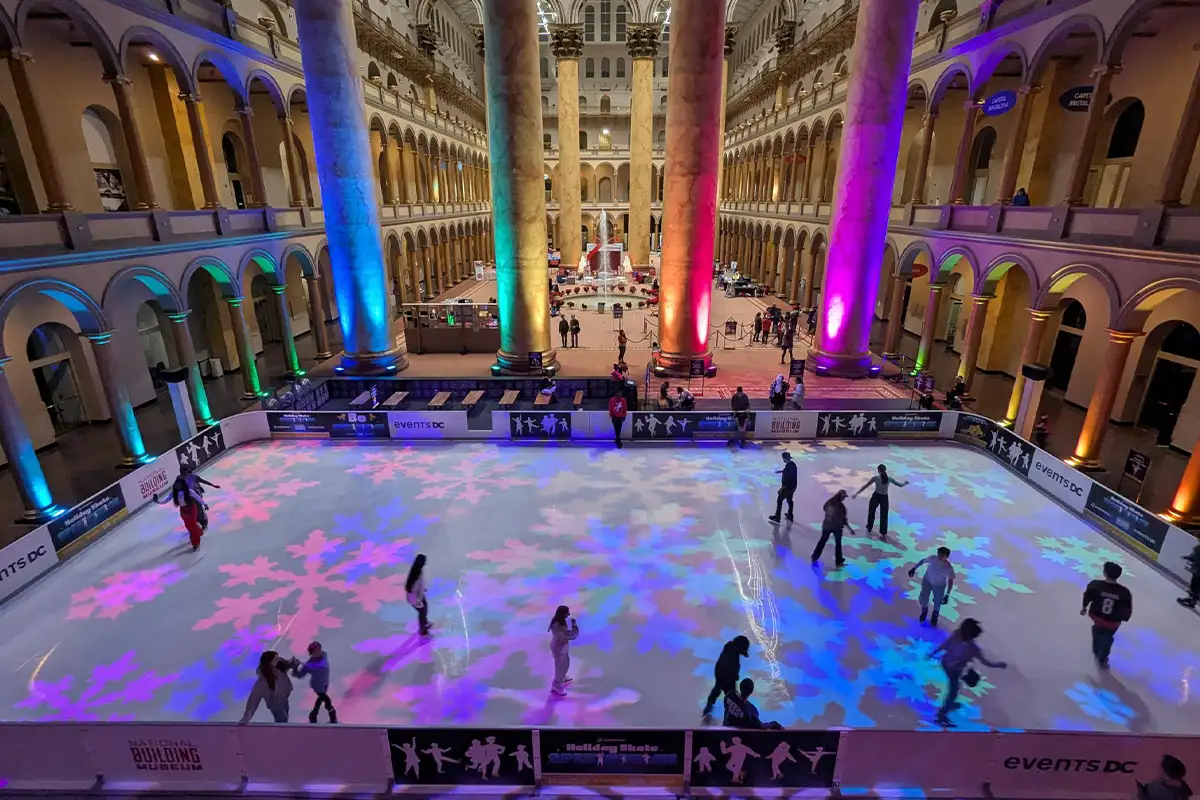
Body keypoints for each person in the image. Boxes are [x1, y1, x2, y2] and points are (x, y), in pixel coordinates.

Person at [931, 618, 1006, 728]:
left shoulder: (973, 648)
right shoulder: (957, 637)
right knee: (953, 691)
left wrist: (998, 665)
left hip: (953, 667)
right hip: (948, 666)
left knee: (954, 688)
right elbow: (945, 645)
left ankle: (949, 705)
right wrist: (934, 652)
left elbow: (985, 661)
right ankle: (941, 716)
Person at [1081, 560, 1133, 669]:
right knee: (1108, 635)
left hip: (1097, 616)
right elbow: (1127, 608)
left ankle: (1097, 649)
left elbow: (1087, 596)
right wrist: (1124, 618)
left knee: (1098, 631)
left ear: (1105, 573)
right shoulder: (1124, 592)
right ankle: (1103, 656)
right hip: (1113, 621)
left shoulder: (1095, 585)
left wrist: (1084, 607)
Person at [240, 651, 297, 724]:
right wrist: (246, 718)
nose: (278, 659)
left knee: (284, 716)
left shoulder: (278, 665)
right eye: (275, 659)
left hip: (283, 697)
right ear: (269, 662)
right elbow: (253, 701)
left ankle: (282, 729)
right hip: (274, 703)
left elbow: (287, 663)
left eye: (278, 658)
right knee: (282, 717)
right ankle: (281, 731)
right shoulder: (262, 682)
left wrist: (293, 663)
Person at [854, 464, 908, 539]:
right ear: (885, 470)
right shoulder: (889, 478)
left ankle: (869, 527)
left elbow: (866, 485)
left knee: (871, 512)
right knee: (884, 515)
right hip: (884, 498)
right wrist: (905, 483)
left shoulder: (876, 478)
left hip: (876, 496)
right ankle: (883, 533)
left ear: (878, 470)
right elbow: (900, 485)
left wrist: (857, 492)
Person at [702, 635, 750, 717]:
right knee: (725, 693)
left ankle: (711, 708)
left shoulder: (732, 648)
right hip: (723, 675)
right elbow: (727, 667)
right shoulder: (730, 652)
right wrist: (733, 676)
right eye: (743, 649)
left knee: (726, 693)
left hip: (726, 675)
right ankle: (712, 708)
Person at [909, 547, 956, 626]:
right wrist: (913, 568)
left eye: (942, 555)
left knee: (938, 601)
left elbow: (950, 581)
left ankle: (935, 615)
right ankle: (924, 611)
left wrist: (947, 594)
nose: (939, 556)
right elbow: (922, 561)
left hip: (939, 586)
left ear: (946, 557)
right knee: (923, 597)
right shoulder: (932, 558)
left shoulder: (948, 568)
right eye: (939, 554)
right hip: (927, 581)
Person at [293, 640, 336, 723]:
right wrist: (295, 668)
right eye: (317, 651)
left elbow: (323, 665)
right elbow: (300, 675)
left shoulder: (323, 656)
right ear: (312, 653)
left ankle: (314, 714)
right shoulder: (309, 664)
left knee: (320, 699)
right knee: (326, 700)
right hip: (317, 685)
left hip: (324, 683)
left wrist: (308, 666)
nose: (319, 652)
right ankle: (332, 716)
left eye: (320, 649)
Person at [169, 468, 206, 551]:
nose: (178, 485)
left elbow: (197, 497)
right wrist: (157, 501)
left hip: (191, 507)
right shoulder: (175, 492)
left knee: (192, 525)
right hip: (183, 510)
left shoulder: (189, 490)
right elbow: (167, 499)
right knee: (189, 526)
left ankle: (195, 542)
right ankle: (199, 531)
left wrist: (205, 504)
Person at [812, 490, 850, 568]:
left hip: (827, 526)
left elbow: (824, 508)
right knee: (838, 544)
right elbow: (843, 519)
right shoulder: (841, 507)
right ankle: (838, 561)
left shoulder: (830, 502)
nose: (844, 499)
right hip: (837, 528)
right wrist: (849, 529)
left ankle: (815, 556)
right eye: (844, 497)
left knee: (822, 541)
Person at [548, 605, 579, 696]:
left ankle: (561, 676)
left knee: (566, 663)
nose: (568, 614)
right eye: (567, 613)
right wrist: (574, 625)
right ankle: (557, 684)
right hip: (559, 648)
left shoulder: (560, 622)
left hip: (561, 647)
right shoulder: (557, 625)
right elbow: (571, 635)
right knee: (560, 666)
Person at [768, 451, 798, 523]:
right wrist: (781, 471)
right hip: (793, 487)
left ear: (784, 458)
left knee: (779, 500)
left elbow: (787, 480)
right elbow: (788, 472)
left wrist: (781, 489)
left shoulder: (788, 467)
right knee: (789, 500)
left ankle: (777, 516)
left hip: (787, 488)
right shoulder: (792, 464)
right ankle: (790, 515)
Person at [406, 554, 432, 637]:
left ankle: (425, 622)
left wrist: (423, 589)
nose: (425, 564)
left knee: (425, 608)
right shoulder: (414, 576)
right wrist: (417, 602)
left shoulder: (418, 571)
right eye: (424, 562)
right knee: (422, 612)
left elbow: (420, 583)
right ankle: (423, 630)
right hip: (415, 599)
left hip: (420, 596)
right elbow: (412, 590)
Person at [1176, 543, 1200, 608]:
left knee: (1195, 585)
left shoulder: (1197, 548)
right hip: (1197, 570)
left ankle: (1193, 598)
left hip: (1198, 571)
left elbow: (1194, 557)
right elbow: (1194, 557)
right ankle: (1192, 600)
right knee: (1195, 585)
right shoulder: (1197, 548)